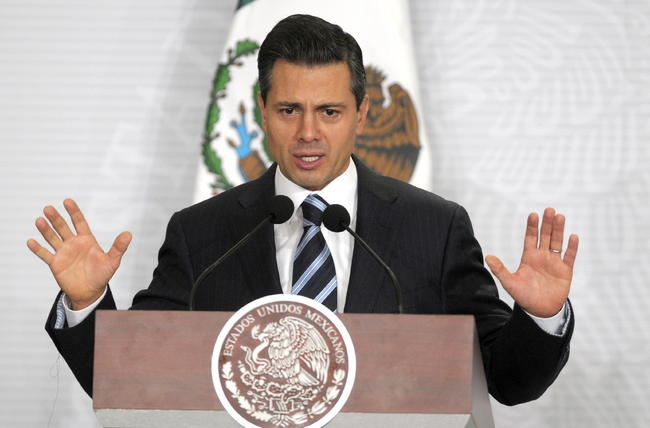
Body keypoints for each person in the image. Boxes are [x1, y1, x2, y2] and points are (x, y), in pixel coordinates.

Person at [27, 14, 578, 405]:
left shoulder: (433, 227)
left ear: (362, 113)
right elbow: (135, 378)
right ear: (262, 110)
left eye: (329, 111)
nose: (308, 132)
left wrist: (540, 318)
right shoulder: (203, 233)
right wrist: (87, 303)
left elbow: (508, 381)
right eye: (289, 109)